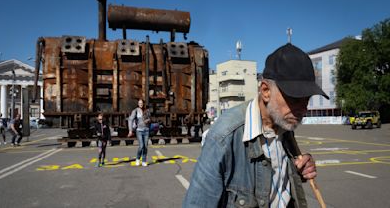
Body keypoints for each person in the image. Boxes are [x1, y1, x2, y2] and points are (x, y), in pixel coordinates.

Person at [183, 43, 329, 208]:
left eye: (307, 99)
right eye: (295, 99)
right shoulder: (224, 136)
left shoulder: (284, 125)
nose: (304, 109)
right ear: (266, 91)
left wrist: (298, 170)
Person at [128, 99, 151, 167]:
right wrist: (130, 130)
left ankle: (144, 161)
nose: (141, 104)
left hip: (146, 130)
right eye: (139, 103)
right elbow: (130, 120)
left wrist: (147, 120)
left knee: (145, 147)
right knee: (141, 146)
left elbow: (150, 118)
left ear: (144, 103)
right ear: (138, 104)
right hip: (139, 131)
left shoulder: (147, 110)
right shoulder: (135, 111)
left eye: (142, 103)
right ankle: (137, 159)